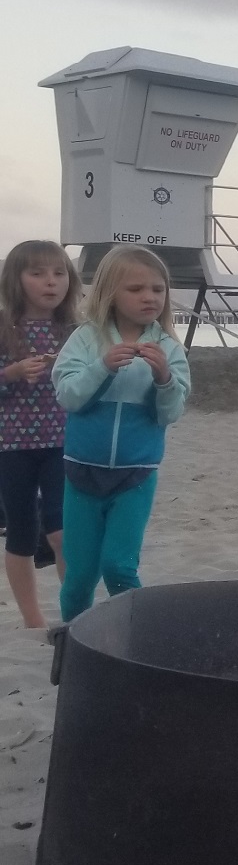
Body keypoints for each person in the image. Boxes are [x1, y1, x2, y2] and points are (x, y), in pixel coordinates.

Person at [51, 246, 191, 621]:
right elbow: (68, 396)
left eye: (157, 289)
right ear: (110, 293)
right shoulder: (85, 339)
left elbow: (171, 414)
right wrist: (102, 367)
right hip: (82, 472)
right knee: (79, 576)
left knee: (119, 566)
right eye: (136, 289)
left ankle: (138, 639)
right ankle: (72, 641)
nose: (149, 297)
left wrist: (164, 379)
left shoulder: (168, 347)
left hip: (136, 475)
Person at [0, 241, 80, 628]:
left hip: (64, 443)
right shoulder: (4, 329)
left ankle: (75, 612)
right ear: (15, 280)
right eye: (38, 273)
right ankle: (33, 622)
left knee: (62, 531)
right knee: (21, 532)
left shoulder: (76, 331)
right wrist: (11, 374)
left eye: (59, 273)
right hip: (11, 446)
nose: (51, 282)